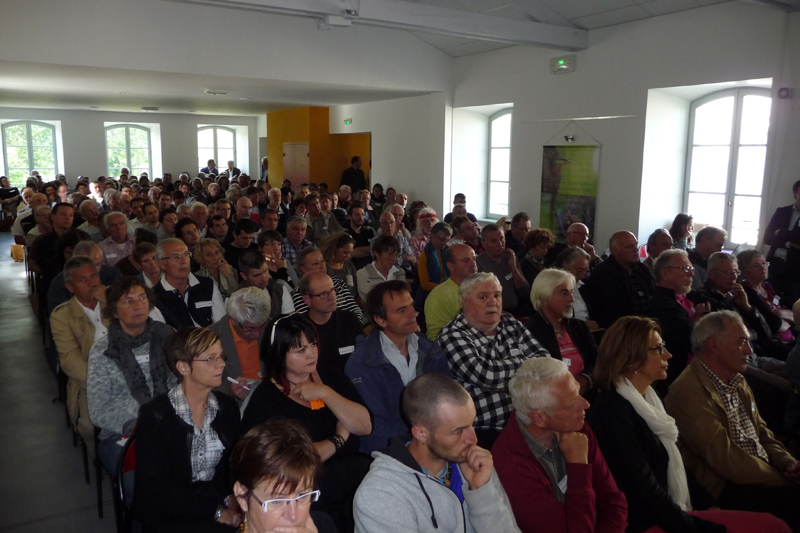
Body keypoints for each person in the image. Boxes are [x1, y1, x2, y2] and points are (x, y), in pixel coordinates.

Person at [588, 315, 788, 533]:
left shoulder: (649, 399)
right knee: (772, 525)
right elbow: (642, 489)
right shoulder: (612, 411)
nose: (668, 354)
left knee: (774, 523)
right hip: (646, 521)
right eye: (658, 349)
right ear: (631, 357)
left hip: (673, 510)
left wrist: (708, 504)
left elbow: (677, 464)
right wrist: (695, 525)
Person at [665, 311, 800, 531]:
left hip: (761, 473)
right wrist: (780, 478)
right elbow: (726, 459)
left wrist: (786, 461)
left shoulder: (736, 379)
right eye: (742, 342)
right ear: (714, 345)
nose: (749, 350)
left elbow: (761, 432)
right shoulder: (686, 392)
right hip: (728, 485)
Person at [243, 314, 372, 532]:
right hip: (309, 491)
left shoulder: (331, 378)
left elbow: (365, 426)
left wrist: (325, 392)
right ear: (279, 355)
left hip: (356, 477)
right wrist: (338, 439)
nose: (312, 353)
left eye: (312, 344)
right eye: (300, 350)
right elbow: (292, 463)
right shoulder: (266, 399)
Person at [353, 372, 521, 533]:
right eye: (458, 431)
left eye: (471, 424)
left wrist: (480, 490)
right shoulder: (380, 493)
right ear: (421, 434)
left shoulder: (476, 463)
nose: (473, 439)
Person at [493, 358, 627, 533]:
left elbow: (613, 501)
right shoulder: (510, 466)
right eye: (571, 403)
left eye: (578, 393)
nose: (585, 404)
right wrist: (579, 465)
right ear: (539, 418)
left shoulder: (576, 428)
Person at [133, 327, 243, 532]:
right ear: (183, 367)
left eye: (221, 356)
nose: (221, 364)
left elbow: (232, 466)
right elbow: (157, 490)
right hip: (169, 513)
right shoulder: (155, 416)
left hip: (213, 498)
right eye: (210, 359)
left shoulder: (226, 407)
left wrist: (232, 498)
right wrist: (216, 511)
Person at [438, 272, 550, 448]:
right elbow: (486, 376)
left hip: (530, 421)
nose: (493, 302)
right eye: (483, 297)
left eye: (497, 295)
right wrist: (525, 363)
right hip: (483, 431)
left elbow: (546, 362)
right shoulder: (452, 334)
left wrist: (510, 369)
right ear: (464, 301)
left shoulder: (511, 324)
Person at [345, 280, 451, 453]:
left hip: (434, 443)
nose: (413, 313)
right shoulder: (362, 365)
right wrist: (415, 452)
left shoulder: (430, 350)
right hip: (391, 452)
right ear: (380, 320)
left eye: (411, 306)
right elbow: (376, 429)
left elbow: (446, 402)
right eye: (402, 310)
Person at [87, 277, 177, 477]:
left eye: (142, 298)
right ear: (114, 311)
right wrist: (133, 424)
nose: (138, 306)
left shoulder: (169, 337)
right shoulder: (103, 350)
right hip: (124, 432)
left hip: (171, 423)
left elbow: (186, 384)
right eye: (128, 301)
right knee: (139, 482)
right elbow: (97, 409)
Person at [230, 418, 338, 533]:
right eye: (277, 500)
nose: (293, 515)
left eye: (302, 496)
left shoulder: (323, 525)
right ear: (242, 497)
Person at [50, 256, 108, 453]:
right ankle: (101, 459)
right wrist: (99, 382)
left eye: (94, 276)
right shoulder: (62, 315)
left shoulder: (115, 300)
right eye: (82, 280)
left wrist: (110, 304)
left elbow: (135, 333)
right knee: (90, 426)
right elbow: (69, 359)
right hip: (90, 380)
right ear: (70, 287)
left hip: (128, 370)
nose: (91, 283)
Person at [525, 269, 597, 395]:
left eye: (571, 292)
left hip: (586, 394)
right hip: (551, 399)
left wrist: (586, 380)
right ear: (544, 297)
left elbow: (598, 362)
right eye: (564, 293)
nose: (571, 299)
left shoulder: (578, 327)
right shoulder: (530, 331)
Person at [646, 249, 711, 391]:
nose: (691, 273)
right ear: (665, 274)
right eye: (684, 269)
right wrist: (699, 319)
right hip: (681, 375)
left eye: (691, 268)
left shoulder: (687, 294)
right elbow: (692, 339)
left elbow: (717, 308)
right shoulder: (661, 304)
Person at [581, 231, 654, 329]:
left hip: (645, 326)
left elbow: (653, 297)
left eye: (636, 244)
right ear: (615, 251)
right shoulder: (602, 273)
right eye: (629, 246)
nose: (636, 249)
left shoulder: (642, 269)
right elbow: (605, 310)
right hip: (618, 330)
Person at [152, 238, 226, 328]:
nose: (183, 261)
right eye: (176, 257)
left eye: (186, 255)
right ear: (161, 264)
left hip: (210, 339)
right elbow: (162, 335)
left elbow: (221, 325)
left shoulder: (207, 285)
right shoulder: (154, 297)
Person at [299, 271, 363, 373]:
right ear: (307, 300)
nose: (332, 297)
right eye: (324, 294)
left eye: (333, 290)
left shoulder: (350, 320)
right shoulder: (299, 328)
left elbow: (365, 355)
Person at [738, 249, 795, 344]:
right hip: (772, 342)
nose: (763, 268)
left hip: (790, 336)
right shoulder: (746, 291)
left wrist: (779, 314)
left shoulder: (768, 287)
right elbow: (775, 324)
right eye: (756, 266)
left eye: (764, 263)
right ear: (744, 272)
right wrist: (789, 318)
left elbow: (795, 309)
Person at [425, 244, 478, 341]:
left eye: (474, 259)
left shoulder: (482, 288)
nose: (473, 264)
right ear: (451, 266)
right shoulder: (439, 295)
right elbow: (436, 337)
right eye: (466, 261)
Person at [476, 223, 531, 316]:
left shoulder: (510, 257)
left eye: (502, 239)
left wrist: (513, 267)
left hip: (516, 311)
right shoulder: (478, 263)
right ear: (484, 244)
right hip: (492, 313)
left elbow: (524, 291)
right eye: (494, 241)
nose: (500, 244)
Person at [763, 180, 800, 302]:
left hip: (796, 269)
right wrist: (789, 243)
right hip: (774, 264)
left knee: (791, 304)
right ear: (795, 192)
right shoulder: (782, 212)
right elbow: (767, 238)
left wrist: (780, 232)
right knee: (769, 300)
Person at [237, 249, 294, 317]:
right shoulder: (235, 299)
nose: (264, 278)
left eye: (265, 270)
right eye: (257, 275)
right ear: (244, 276)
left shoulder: (279, 289)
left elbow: (290, 321)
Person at [356, 234, 405, 302]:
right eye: (390, 254)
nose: (394, 258)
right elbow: (371, 302)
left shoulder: (400, 272)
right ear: (377, 254)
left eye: (396, 255)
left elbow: (403, 298)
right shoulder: (363, 274)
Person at [416, 221, 452, 310]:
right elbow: (424, 284)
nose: (445, 243)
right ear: (432, 236)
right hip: (432, 294)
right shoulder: (425, 256)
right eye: (442, 240)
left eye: (447, 240)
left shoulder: (449, 252)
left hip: (448, 290)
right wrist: (444, 289)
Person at [319, 231, 357, 299]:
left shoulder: (349, 265)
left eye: (350, 253)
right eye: (345, 253)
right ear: (334, 249)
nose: (348, 256)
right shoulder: (324, 266)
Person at [345, 202, 376, 270]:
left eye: (362, 214)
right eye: (357, 215)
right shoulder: (345, 232)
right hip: (353, 267)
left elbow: (376, 249)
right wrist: (369, 250)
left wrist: (357, 249)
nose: (361, 217)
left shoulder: (370, 230)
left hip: (371, 265)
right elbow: (350, 253)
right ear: (350, 217)